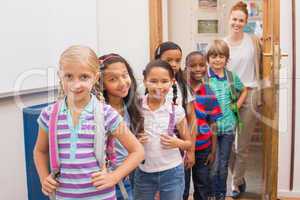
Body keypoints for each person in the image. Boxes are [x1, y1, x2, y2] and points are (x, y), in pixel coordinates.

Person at [33, 45, 144, 199]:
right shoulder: (49, 114)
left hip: (102, 195)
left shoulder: (106, 113)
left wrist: (114, 176)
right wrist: (44, 177)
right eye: (69, 76)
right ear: (60, 76)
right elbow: (40, 151)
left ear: (96, 77)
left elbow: (137, 151)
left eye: (84, 77)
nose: (76, 84)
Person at [134, 59, 192, 200]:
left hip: (172, 172)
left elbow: (189, 143)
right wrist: (135, 140)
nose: (159, 86)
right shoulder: (136, 107)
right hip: (143, 172)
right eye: (153, 81)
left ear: (172, 82)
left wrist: (177, 143)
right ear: (145, 81)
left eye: (164, 81)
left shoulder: (176, 110)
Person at [224, 1, 262, 198]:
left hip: (251, 92)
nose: (237, 23)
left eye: (241, 20)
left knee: (243, 145)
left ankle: (236, 183)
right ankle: (237, 174)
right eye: (234, 19)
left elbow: (263, 65)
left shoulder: (254, 40)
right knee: (228, 142)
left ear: (245, 22)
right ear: (228, 19)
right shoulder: (222, 44)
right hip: (229, 96)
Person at [97, 53, 144, 200]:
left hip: (127, 176)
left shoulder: (131, 105)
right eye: (113, 79)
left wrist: (138, 140)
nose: (123, 82)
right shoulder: (100, 111)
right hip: (107, 179)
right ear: (101, 84)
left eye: (125, 75)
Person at [206, 40, 248, 200]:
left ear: (227, 59)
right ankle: (210, 194)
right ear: (208, 59)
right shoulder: (205, 78)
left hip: (228, 127)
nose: (217, 60)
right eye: (214, 56)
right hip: (211, 129)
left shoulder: (231, 77)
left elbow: (244, 90)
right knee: (213, 164)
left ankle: (221, 195)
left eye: (221, 56)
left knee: (223, 165)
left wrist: (237, 104)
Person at [154, 42, 196, 199]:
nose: (173, 64)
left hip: (179, 147)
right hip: (155, 150)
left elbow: (192, 119)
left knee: (179, 190)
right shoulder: (146, 85)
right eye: (168, 60)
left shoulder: (183, 86)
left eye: (178, 60)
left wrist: (190, 151)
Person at [183, 51, 223, 200]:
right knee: (183, 187)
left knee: (202, 186)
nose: (198, 69)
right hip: (183, 148)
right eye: (193, 65)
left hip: (203, 149)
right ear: (185, 67)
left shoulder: (208, 91)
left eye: (201, 65)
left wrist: (213, 150)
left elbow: (213, 123)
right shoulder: (180, 90)